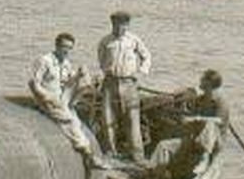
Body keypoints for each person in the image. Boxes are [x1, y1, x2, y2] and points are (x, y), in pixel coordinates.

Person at [28, 32, 104, 169]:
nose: (66, 51)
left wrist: (80, 75)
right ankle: (88, 153)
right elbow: (33, 84)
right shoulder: (45, 61)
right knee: (70, 121)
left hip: (62, 97)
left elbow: (68, 81)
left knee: (82, 77)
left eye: (69, 48)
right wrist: (46, 97)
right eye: (64, 47)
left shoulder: (66, 63)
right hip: (48, 99)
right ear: (56, 46)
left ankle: (72, 105)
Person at [96, 10, 152, 160]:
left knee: (132, 118)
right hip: (110, 83)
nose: (118, 28)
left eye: (122, 25)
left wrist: (140, 72)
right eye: (115, 25)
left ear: (127, 25)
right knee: (108, 117)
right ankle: (110, 152)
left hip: (129, 83)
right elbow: (101, 59)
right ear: (112, 24)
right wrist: (106, 72)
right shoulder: (106, 41)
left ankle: (137, 155)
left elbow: (146, 56)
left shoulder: (133, 41)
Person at [182, 69, 230, 175]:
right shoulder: (200, 99)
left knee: (210, 124)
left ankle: (205, 158)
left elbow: (219, 121)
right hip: (198, 136)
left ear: (209, 83)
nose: (200, 80)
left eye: (203, 79)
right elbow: (191, 115)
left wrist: (198, 118)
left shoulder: (220, 101)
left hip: (215, 141)